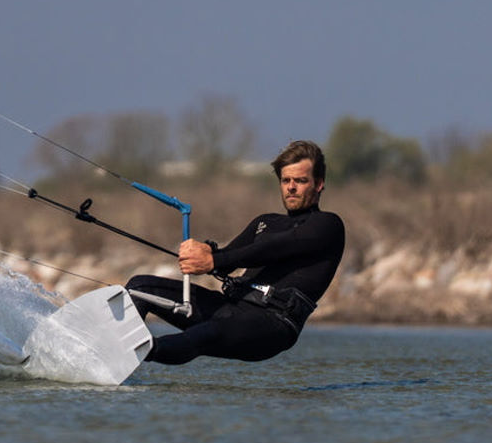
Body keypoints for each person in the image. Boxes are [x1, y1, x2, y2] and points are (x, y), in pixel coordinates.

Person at [125, 140, 345, 364]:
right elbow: (228, 260)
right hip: (230, 309)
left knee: (204, 334)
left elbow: (274, 248)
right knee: (138, 288)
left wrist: (212, 260)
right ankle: (116, 357)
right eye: (285, 180)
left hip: (272, 325)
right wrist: (207, 251)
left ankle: (136, 353)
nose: (291, 187)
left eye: (300, 181)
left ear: (318, 184)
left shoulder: (328, 225)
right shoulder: (265, 222)